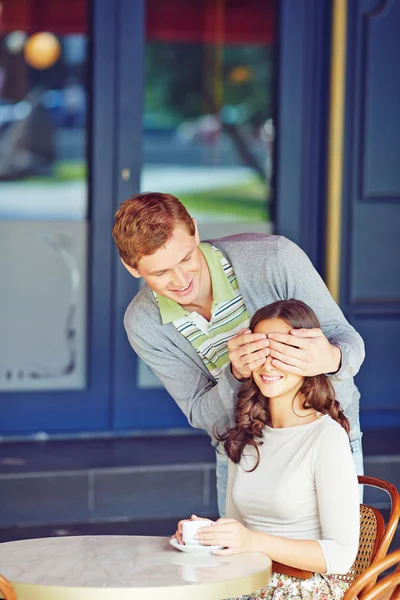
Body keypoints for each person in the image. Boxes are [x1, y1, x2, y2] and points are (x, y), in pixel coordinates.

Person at [112, 192, 365, 515]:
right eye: (160, 274)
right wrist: (235, 376)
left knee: (334, 564)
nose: (181, 280)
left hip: (326, 438)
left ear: (194, 230)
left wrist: (331, 358)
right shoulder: (144, 323)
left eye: (186, 258)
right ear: (131, 267)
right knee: (241, 564)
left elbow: (348, 342)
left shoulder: (274, 258)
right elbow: (200, 414)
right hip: (243, 454)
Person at [174, 299, 360, 600]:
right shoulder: (247, 432)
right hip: (251, 577)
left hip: (304, 586)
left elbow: (340, 556)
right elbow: (239, 531)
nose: (268, 364)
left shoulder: (327, 438)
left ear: (309, 358)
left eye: (283, 352)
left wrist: (251, 541)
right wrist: (207, 535)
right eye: (260, 351)